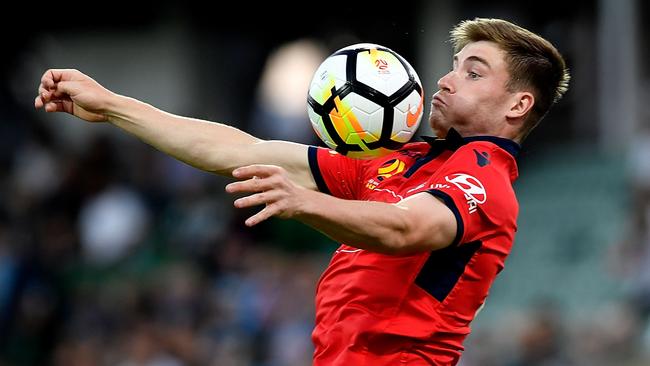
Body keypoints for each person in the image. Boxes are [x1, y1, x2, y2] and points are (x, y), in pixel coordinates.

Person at [35, 18, 569, 366]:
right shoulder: (403, 163)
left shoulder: (486, 178)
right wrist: (112, 106)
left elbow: (410, 228)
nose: (448, 80)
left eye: (473, 73)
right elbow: (239, 150)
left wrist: (305, 201)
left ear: (517, 106)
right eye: (453, 67)